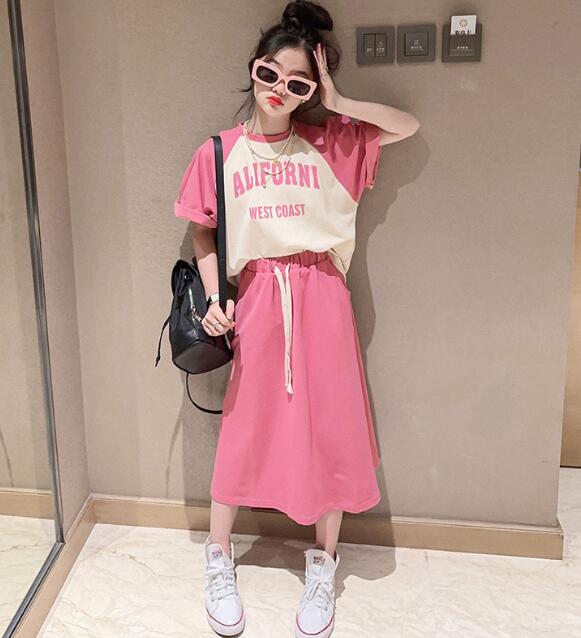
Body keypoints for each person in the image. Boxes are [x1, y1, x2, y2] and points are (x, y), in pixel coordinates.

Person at [173, 2, 420, 636]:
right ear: (252, 69)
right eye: (269, 73)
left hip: (324, 295)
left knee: (330, 425)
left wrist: (338, 101)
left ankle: (323, 562)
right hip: (259, 294)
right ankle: (219, 555)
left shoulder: (332, 142)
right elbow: (202, 232)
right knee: (244, 425)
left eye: (298, 83)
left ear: (313, 91)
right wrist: (217, 299)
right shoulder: (219, 151)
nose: (279, 89)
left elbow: (407, 125)